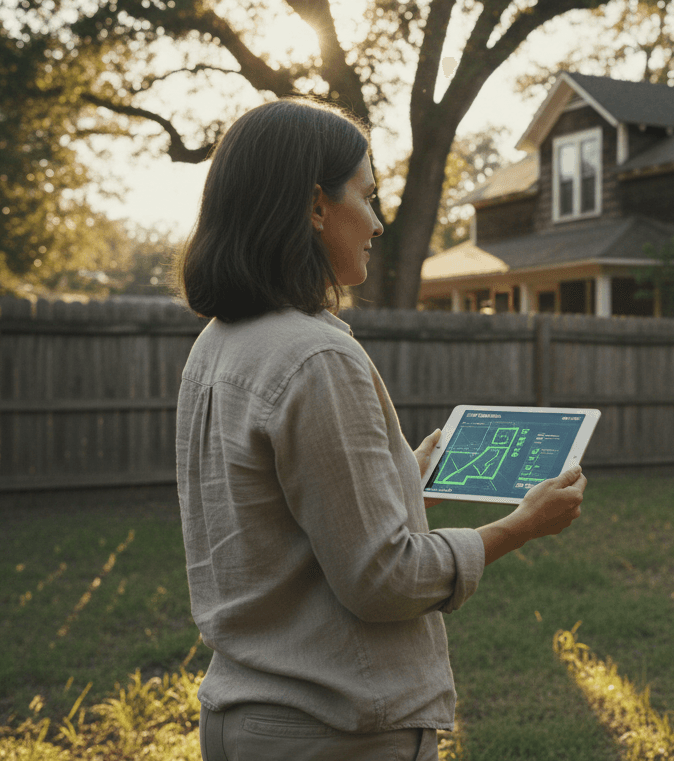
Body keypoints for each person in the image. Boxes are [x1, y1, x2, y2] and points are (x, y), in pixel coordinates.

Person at [174, 97, 586, 761]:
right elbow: (384, 580)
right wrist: (521, 527)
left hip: (242, 717)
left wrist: (401, 480)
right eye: (367, 197)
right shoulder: (316, 357)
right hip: (335, 732)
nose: (378, 222)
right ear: (316, 206)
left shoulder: (218, 345)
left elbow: (280, 526)